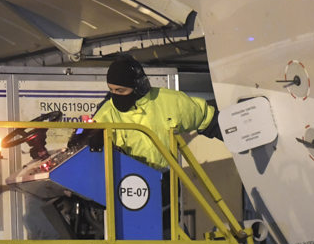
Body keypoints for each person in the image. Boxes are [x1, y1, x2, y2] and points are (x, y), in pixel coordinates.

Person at [92, 54, 222, 169]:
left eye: (120, 91)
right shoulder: (105, 115)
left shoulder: (172, 102)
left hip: (165, 184)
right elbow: (89, 156)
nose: (115, 96)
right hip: (124, 183)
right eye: (111, 90)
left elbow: (211, 121)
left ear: (138, 86)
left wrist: (239, 139)